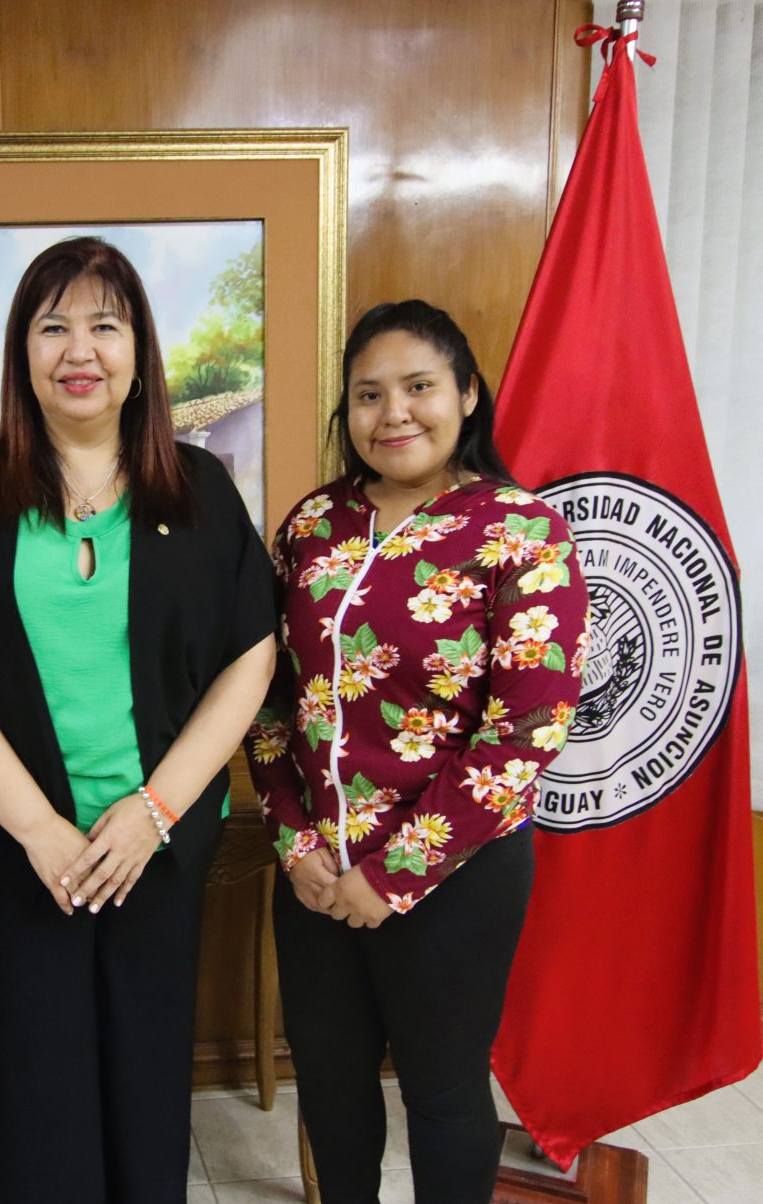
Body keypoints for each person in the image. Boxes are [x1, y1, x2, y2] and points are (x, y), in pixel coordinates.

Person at [0, 236, 277, 1204]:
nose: (80, 348)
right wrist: (39, 831)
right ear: (22, 352)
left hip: (160, 838)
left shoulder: (197, 489)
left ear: (140, 351)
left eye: (105, 324)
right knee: (35, 1078)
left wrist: (155, 810)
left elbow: (250, 652)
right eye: (53, 324)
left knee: (148, 1071)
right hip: (19, 848)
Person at [247, 300, 590, 1204]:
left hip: (456, 875)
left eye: (419, 387)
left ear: (468, 396)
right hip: (318, 874)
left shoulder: (523, 531)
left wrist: (395, 870)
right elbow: (271, 703)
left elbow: (526, 730)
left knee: (441, 1094)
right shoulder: (310, 527)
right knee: (330, 1085)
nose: (393, 413)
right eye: (368, 395)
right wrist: (297, 846)